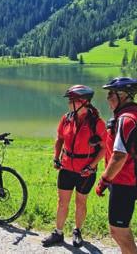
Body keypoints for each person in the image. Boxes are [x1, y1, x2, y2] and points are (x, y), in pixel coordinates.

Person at [42, 85, 106, 248]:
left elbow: (105, 148)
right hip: (66, 168)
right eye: (70, 100)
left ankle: (77, 231)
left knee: (80, 202)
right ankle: (58, 233)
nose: (69, 103)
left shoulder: (96, 123)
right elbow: (59, 139)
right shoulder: (66, 118)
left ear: (84, 102)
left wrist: (92, 166)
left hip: (85, 171)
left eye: (72, 100)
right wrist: (56, 157)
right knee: (62, 202)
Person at [96, 77, 137, 254]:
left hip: (124, 182)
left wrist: (103, 181)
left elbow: (119, 157)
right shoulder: (133, 114)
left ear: (123, 95)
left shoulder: (126, 119)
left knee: (118, 230)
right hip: (128, 179)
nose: (108, 97)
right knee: (121, 228)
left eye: (111, 94)